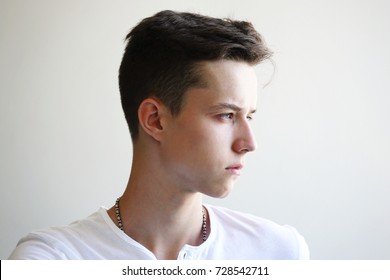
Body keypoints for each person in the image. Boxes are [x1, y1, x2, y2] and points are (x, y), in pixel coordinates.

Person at [9, 10, 309, 260]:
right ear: (155, 120)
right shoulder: (54, 259)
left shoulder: (280, 252)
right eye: (226, 115)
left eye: (250, 116)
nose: (248, 143)